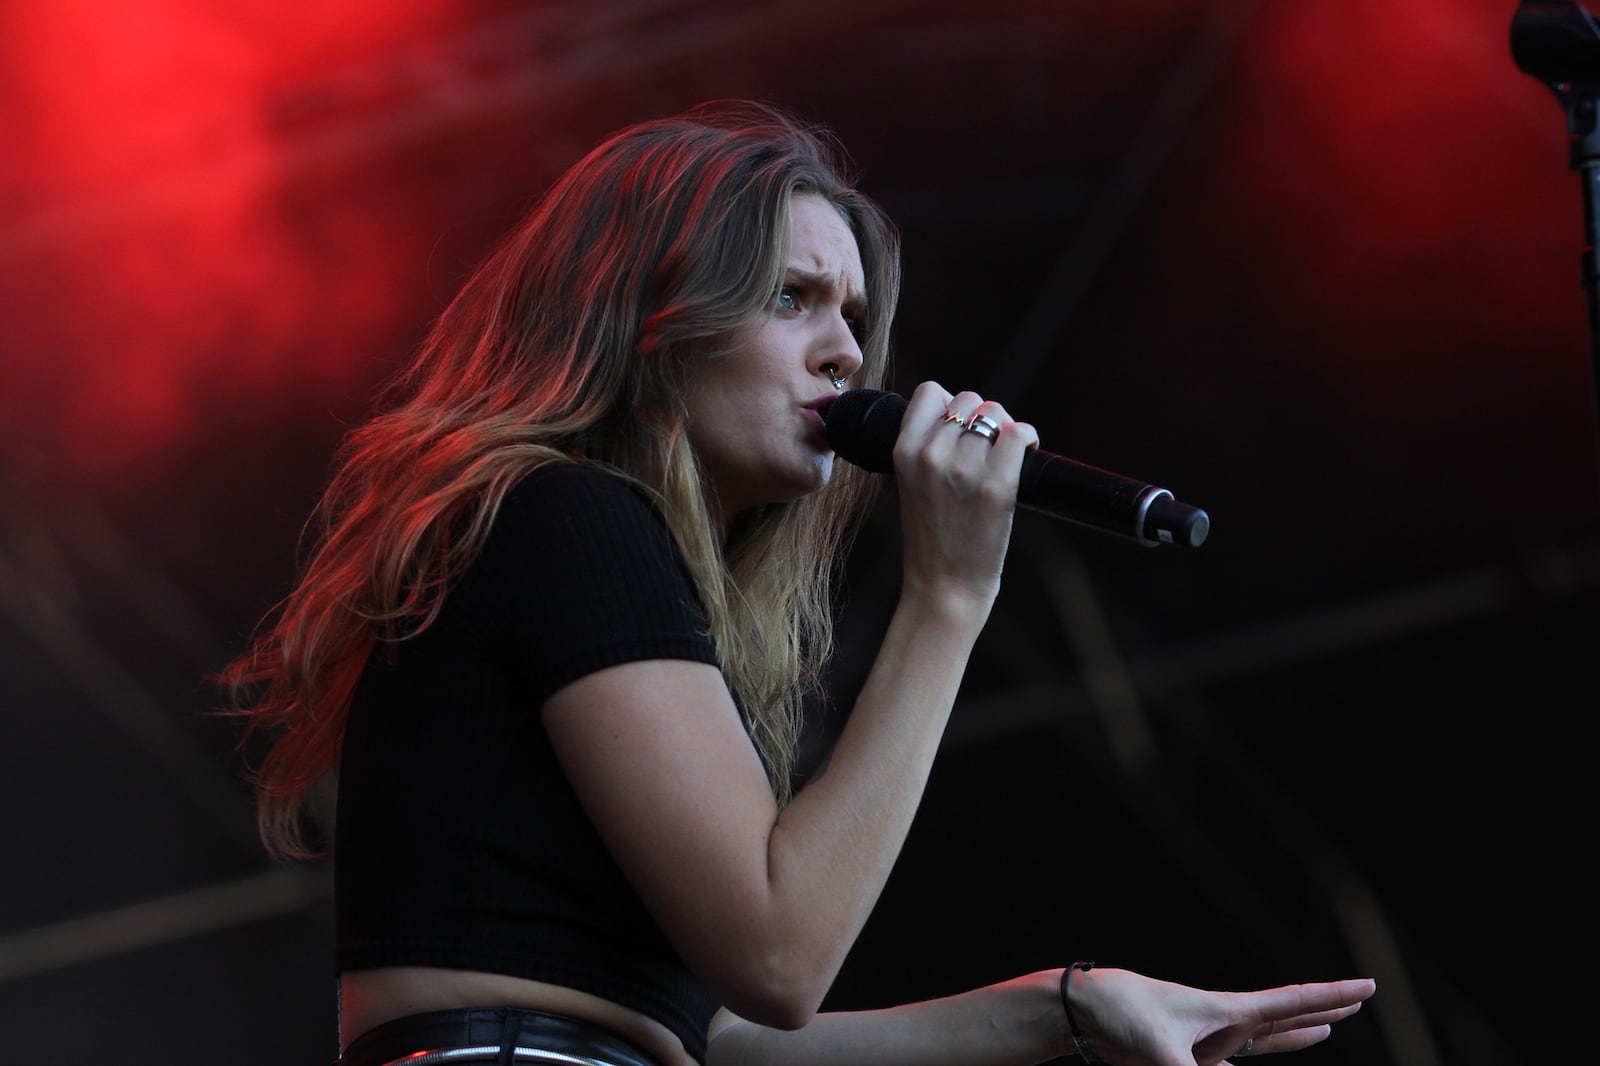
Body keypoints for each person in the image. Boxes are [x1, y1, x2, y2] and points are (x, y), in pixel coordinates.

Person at [223, 100, 1374, 1066]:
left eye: (856, 317)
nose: (846, 353)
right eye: (792, 299)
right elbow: (781, 955)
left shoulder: (583, 549)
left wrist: (1067, 1004)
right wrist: (946, 597)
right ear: (651, 321)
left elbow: (714, 1028)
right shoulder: (569, 516)